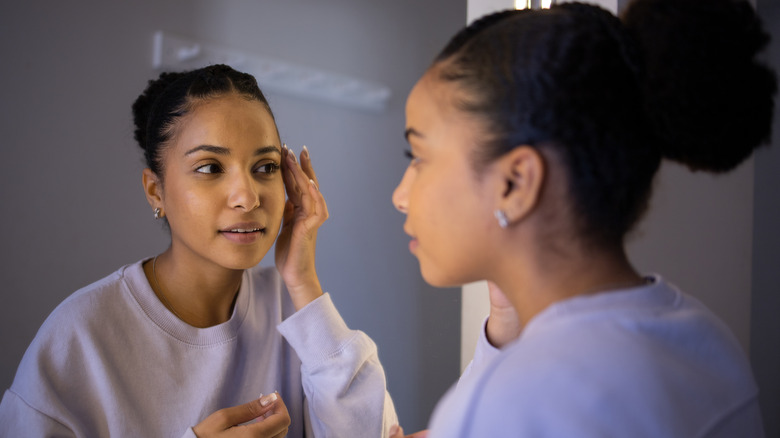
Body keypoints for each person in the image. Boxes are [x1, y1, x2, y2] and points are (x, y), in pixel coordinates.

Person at [388, 0, 776, 437]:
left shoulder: (516, 406)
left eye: (418, 156)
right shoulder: (706, 340)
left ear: (516, 183)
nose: (400, 197)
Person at [0, 64, 397, 437]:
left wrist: (303, 281)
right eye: (210, 168)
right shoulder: (79, 337)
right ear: (156, 190)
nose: (247, 197)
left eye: (266, 167)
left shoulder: (295, 310)